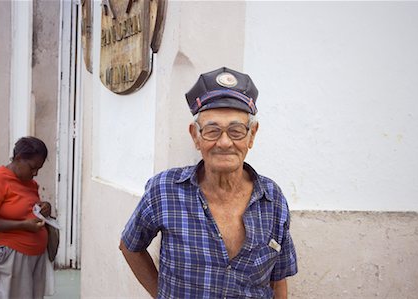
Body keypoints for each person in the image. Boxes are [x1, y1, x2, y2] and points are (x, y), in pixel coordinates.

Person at [119, 67, 298, 298]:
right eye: (212, 131)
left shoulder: (272, 199)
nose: (224, 142)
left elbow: (278, 278)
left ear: (252, 135)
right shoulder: (164, 190)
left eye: (236, 131)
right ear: (196, 136)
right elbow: (130, 246)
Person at [0, 136, 52, 299]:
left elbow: (27, 208)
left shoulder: (30, 183)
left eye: (39, 169)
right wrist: (23, 225)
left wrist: (45, 208)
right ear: (18, 159)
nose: (35, 173)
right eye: (32, 168)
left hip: (33, 256)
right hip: (10, 259)